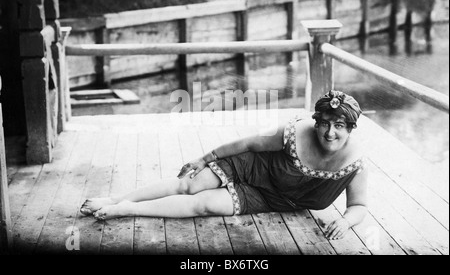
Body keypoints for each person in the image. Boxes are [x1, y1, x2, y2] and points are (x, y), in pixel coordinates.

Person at [80, 90, 368, 240]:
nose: (330, 133)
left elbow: (359, 206)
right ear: (316, 123)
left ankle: (128, 209)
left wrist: (345, 221)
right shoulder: (294, 132)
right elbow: (249, 144)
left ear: (351, 128)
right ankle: (117, 199)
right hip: (253, 166)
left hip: (268, 198)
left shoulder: (354, 164)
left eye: (339, 126)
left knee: (202, 205)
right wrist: (205, 158)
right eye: (325, 124)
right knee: (189, 185)